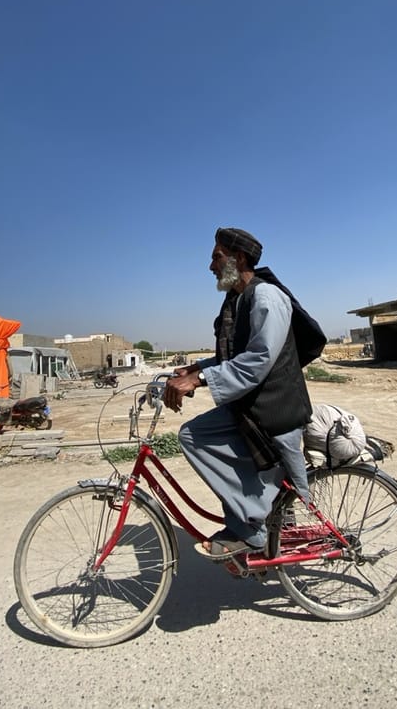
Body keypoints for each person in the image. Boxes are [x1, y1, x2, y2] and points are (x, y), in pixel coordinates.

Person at [163, 227, 323, 561]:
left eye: (216, 257)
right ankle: (254, 528)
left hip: (275, 409)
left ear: (240, 258)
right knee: (201, 438)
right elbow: (232, 356)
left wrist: (200, 379)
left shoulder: (266, 297)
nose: (211, 266)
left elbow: (258, 359)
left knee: (195, 435)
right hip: (253, 408)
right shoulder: (236, 300)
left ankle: (251, 528)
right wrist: (193, 369)